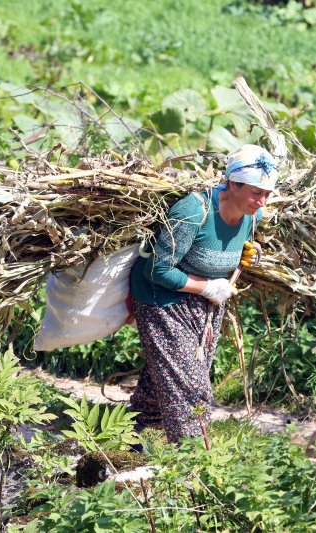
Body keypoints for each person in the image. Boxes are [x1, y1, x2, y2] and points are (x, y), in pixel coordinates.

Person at [128, 144, 277, 443]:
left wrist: (248, 253)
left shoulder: (252, 216)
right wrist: (207, 286)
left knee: (171, 376)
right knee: (191, 387)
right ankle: (192, 459)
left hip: (206, 306)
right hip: (163, 302)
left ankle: (133, 433)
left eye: (267, 193)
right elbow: (157, 270)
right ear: (232, 183)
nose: (262, 201)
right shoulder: (194, 211)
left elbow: (232, 248)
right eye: (255, 192)